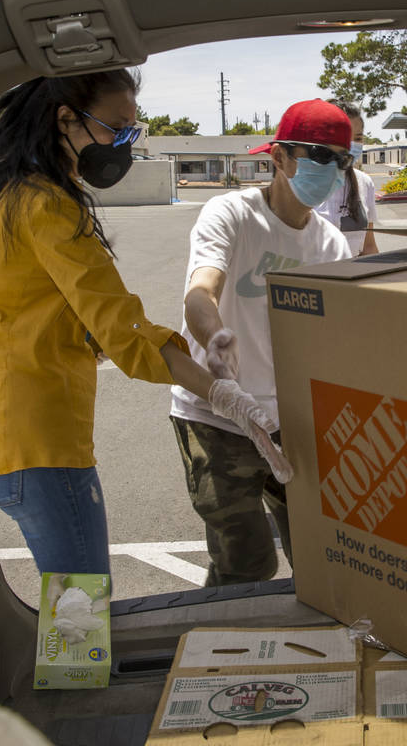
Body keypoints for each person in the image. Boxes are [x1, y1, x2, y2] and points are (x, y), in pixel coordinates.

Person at [0, 70, 282, 578]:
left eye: (133, 130)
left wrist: (88, 336)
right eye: (115, 127)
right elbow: (126, 332)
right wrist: (226, 397)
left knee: (73, 604)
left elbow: (31, 308)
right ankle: (78, 666)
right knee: (80, 613)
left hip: (5, 433)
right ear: (65, 119)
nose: (124, 144)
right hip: (42, 441)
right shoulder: (46, 205)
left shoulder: (7, 193)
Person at [170, 99, 354, 586]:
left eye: (341, 159)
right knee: (245, 564)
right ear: (279, 157)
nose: (330, 169)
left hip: (288, 418)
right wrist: (214, 337)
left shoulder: (330, 244)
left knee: (318, 552)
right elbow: (201, 289)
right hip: (217, 412)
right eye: (319, 154)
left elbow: (333, 337)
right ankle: (227, 656)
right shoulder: (231, 214)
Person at [313, 99, 379, 256]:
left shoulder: (365, 182)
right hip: (316, 276)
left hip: (354, 276)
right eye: (343, 137)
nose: (350, 145)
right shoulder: (307, 184)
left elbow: (369, 247)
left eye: (357, 138)